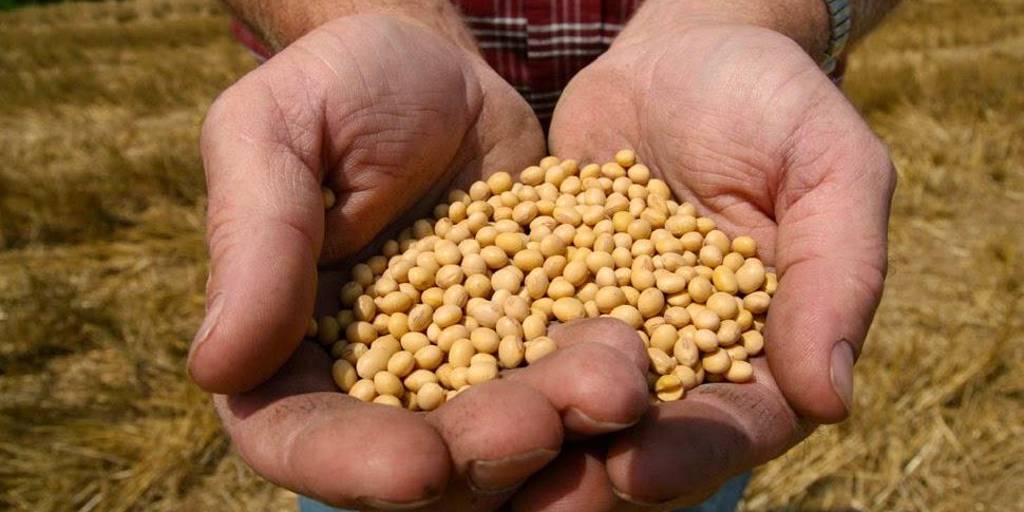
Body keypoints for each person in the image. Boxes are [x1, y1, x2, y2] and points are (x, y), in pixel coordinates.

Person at [188, 0, 900, 510]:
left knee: (670, 472)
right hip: (395, 180)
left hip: (697, 168)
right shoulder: (426, 293)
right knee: (387, 473)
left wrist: (748, 14)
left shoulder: (689, 273)